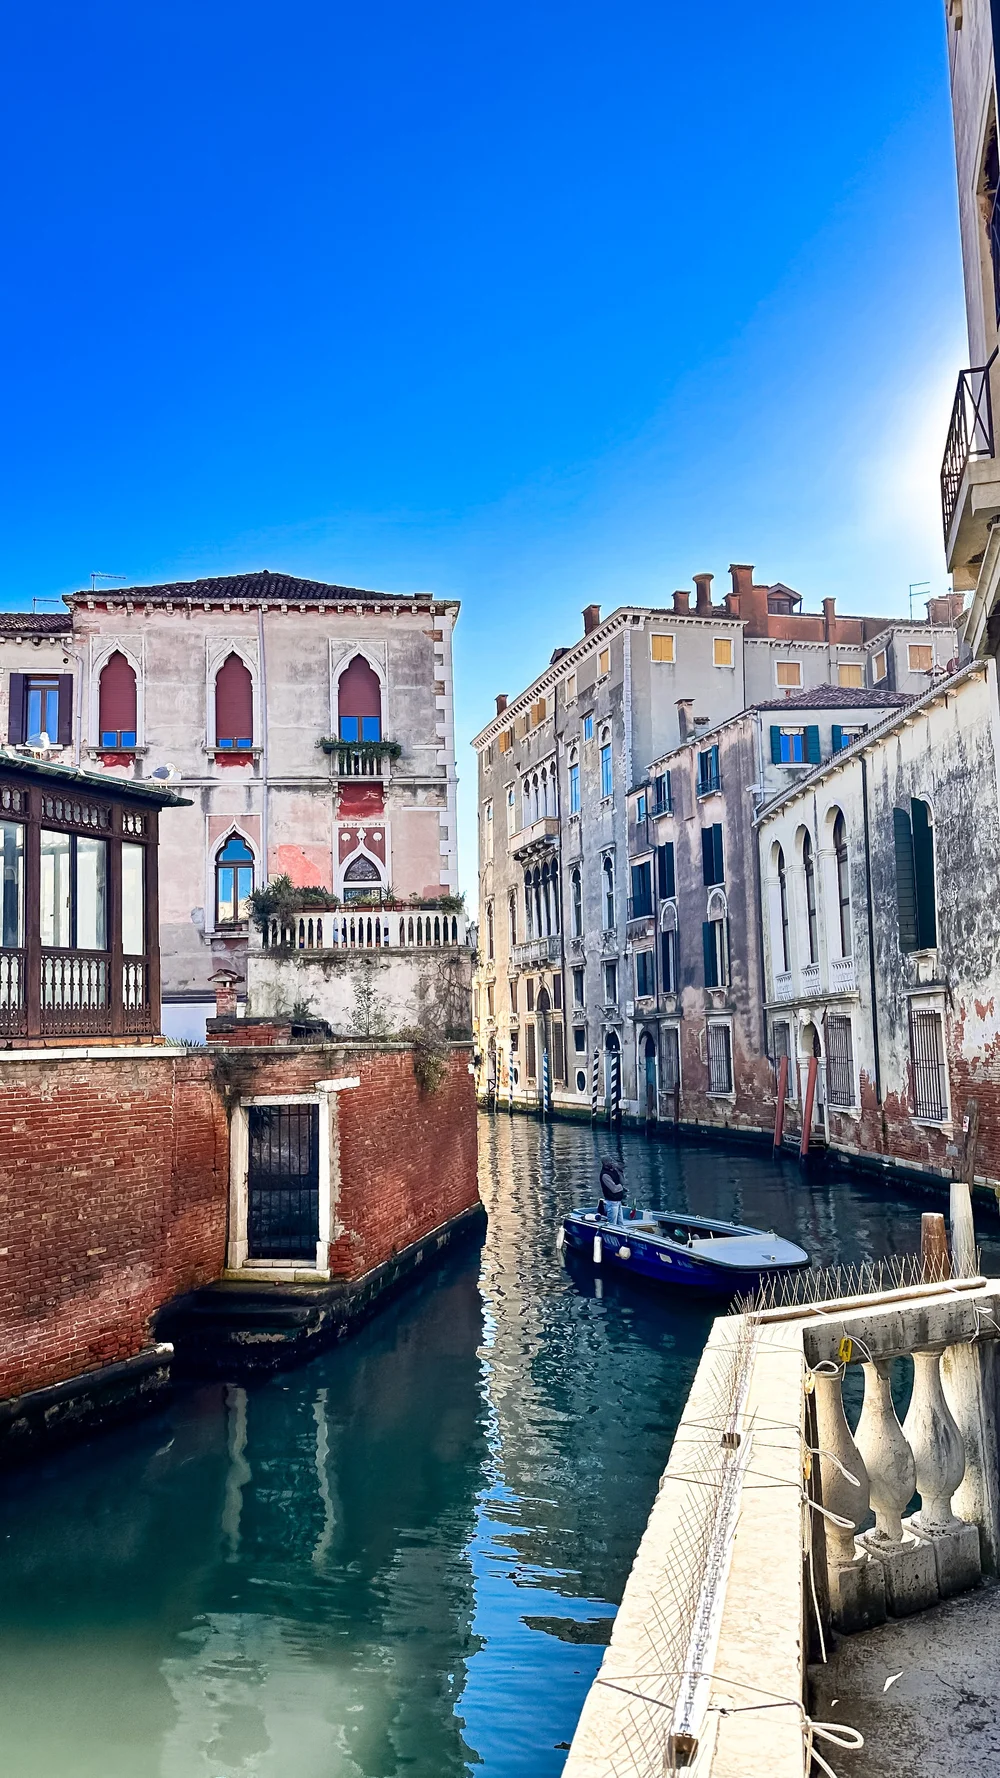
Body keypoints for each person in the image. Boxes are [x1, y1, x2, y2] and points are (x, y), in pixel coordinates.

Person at [599, 1158, 626, 1226]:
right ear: (605, 1164)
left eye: (612, 1161)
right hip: (612, 1202)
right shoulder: (605, 1175)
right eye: (610, 1162)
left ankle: (621, 1234)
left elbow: (623, 1182)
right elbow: (614, 1189)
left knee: (620, 1223)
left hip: (618, 1201)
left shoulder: (614, 1171)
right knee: (612, 1224)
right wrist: (621, 1187)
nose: (612, 1163)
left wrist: (620, 1172)